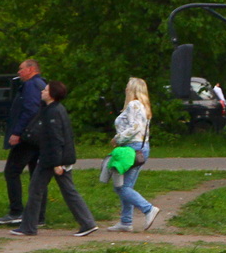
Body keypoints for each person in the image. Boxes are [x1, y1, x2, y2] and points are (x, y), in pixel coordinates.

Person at [10, 80, 99, 237]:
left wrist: (57, 163)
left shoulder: (52, 112)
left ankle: (29, 227)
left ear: (52, 94)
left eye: (45, 90)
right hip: (53, 158)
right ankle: (87, 223)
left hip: (51, 159)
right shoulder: (55, 109)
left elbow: (56, 139)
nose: (42, 92)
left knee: (37, 190)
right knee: (65, 190)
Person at [0, 59, 47, 227]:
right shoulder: (41, 84)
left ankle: (16, 211)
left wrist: (17, 132)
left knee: (11, 171)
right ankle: (38, 216)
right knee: (36, 176)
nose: (18, 72)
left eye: (21, 69)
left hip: (27, 138)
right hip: (39, 137)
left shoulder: (31, 85)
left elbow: (30, 109)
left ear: (31, 69)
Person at [107, 77, 161, 233]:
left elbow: (134, 128)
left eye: (127, 86)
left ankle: (148, 209)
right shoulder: (143, 106)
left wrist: (118, 138)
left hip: (131, 148)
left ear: (133, 90)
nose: (125, 89)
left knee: (121, 187)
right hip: (139, 147)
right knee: (127, 186)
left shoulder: (134, 104)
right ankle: (126, 221)